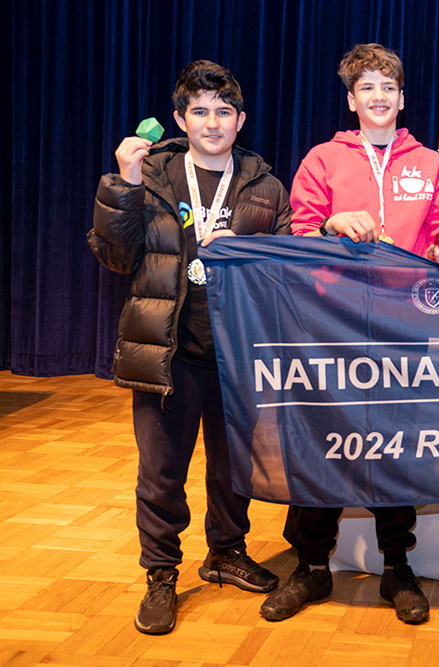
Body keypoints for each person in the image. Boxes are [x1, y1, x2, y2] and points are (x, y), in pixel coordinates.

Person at [260, 43, 439, 625]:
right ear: (352, 99)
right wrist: (331, 224)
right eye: (367, 88)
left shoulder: (434, 163)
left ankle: (397, 570)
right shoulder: (321, 160)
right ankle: (311, 567)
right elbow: (298, 241)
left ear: (402, 98)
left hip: (403, 328)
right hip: (331, 329)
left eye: (388, 87)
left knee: (395, 450)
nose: (379, 97)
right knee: (323, 446)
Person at [88, 60, 291, 635]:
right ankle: (160, 574)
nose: (212, 122)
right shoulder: (152, 174)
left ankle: (225, 553)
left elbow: (285, 271)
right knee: (162, 472)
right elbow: (115, 256)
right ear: (180, 118)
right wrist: (122, 184)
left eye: (223, 111)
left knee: (232, 469)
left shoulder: (265, 185)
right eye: (199, 111)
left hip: (236, 353)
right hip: (166, 350)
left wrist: (248, 254)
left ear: (240, 120)